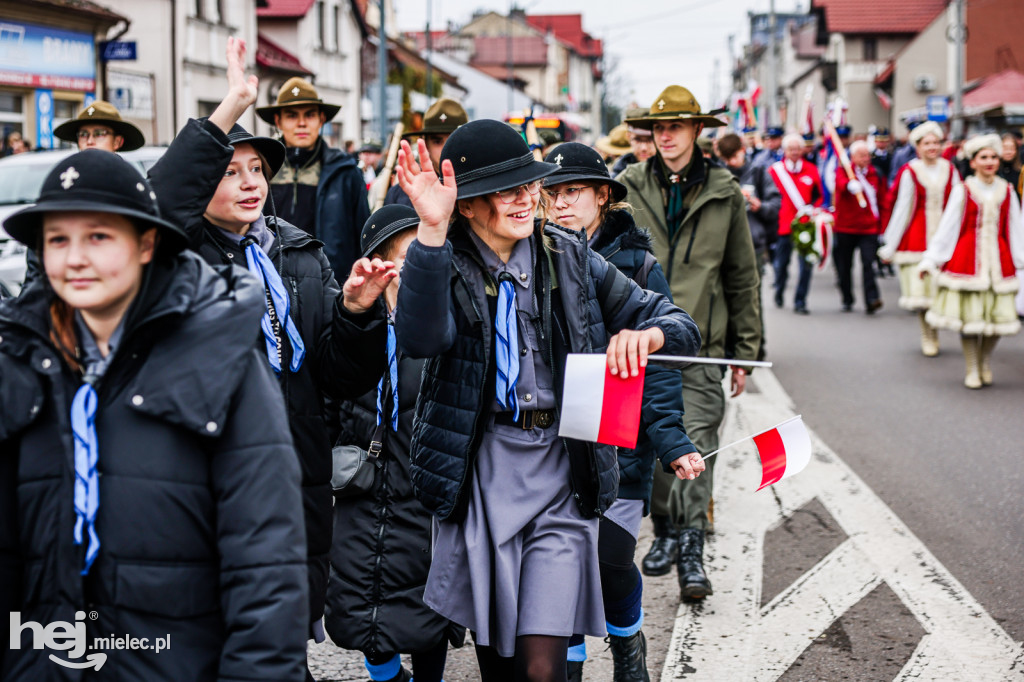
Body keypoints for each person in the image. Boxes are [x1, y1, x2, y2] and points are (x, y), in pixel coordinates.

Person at [393, 120, 699, 681]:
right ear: (466, 205)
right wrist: (430, 233)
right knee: (502, 666)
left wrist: (650, 336)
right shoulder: (443, 259)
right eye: (504, 189)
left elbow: (678, 324)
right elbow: (418, 338)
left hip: (562, 468)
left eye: (528, 184)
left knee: (542, 668)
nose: (525, 198)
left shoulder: (569, 256)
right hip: (481, 475)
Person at [0, 150, 309, 680]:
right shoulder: (18, 363)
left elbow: (266, 562)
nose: (75, 259)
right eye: (57, 240)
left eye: (99, 237)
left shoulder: (221, 358)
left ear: (146, 244)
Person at [148, 37, 393, 667]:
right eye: (230, 171)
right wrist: (233, 102)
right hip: (210, 471)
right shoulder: (177, 256)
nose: (249, 183)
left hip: (296, 469)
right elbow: (159, 201)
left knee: (283, 630)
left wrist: (357, 313)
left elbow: (339, 372)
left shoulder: (298, 252)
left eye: (257, 169)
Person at [542, 142, 704, 681]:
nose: (561, 204)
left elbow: (662, 363)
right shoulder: (533, 258)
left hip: (621, 438)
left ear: (602, 196)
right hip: (558, 443)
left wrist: (672, 438)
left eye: (573, 191)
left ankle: (628, 647)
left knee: (610, 559)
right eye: (551, 194)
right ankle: (568, 665)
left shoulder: (637, 264)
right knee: (561, 564)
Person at [619, 86, 762, 600]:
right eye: (658, 128)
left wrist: (745, 351)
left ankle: (693, 545)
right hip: (642, 340)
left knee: (697, 440)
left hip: (701, 343)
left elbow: (741, 276)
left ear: (698, 130)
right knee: (658, 440)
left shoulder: (725, 191)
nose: (665, 136)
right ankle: (665, 528)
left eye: (675, 126)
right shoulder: (627, 185)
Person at [324, 205, 465, 682]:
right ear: (381, 264)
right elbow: (331, 393)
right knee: (358, 608)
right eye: (410, 256)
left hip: (422, 491)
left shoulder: (449, 325)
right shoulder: (354, 321)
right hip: (360, 491)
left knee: (428, 612)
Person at [917, 134, 1023, 389]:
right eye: (983, 157)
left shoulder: (1007, 190)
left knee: (998, 321)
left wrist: (1020, 259)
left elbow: (1015, 229)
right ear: (973, 162)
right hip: (968, 261)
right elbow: (948, 227)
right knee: (971, 320)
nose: (990, 162)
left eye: (994, 157)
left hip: (1000, 262)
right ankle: (972, 366)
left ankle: (985, 359)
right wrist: (931, 259)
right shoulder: (963, 190)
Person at [256, 76, 370, 277]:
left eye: (309, 115)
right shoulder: (261, 171)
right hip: (273, 282)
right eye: (292, 116)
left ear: (321, 119)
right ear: (278, 121)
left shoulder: (345, 172)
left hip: (332, 285)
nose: (301, 123)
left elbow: (364, 238)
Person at [878, 121, 959, 356]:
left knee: (942, 289)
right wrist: (891, 243)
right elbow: (903, 207)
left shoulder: (950, 169)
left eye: (936, 142)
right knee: (922, 294)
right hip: (917, 237)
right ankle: (927, 334)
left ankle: (936, 328)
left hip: (945, 233)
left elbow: (958, 205)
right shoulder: (910, 171)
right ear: (918, 147)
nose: (932, 147)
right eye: (927, 143)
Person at [768, 133, 824, 314]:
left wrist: (814, 209)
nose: (794, 152)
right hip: (783, 226)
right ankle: (779, 289)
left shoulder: (811, 169)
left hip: (805, 225)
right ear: (784, 150)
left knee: (806, 265)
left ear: (802, 150)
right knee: (781, 264)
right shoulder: (775, 171)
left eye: (797, 148)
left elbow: (819, 196)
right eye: (791, 149)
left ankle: (800, 301)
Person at [384, 98, 469, 208]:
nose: (446, 148)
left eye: (453, 140)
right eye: (437, 141)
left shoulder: (481, 189)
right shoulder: (402, 194)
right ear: (426, 145)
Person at [832, 141, 885, 313]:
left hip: (868, 228)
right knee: (844, 266)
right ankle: (847, 298)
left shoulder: (875, 173)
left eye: (867, 155)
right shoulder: (843, 171)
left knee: (869, 263)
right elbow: (839, 185)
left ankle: (871, 299)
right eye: (862, 156)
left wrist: (883, 228)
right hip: (845, 227)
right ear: (853, 157)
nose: (866, 159)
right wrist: (848, 184)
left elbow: (883, 201)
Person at [53, 100, 146, 152]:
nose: (89, 141)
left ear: (117, 142)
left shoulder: (127, 178)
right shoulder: (68, 177)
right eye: (83, 135)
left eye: (99, 134)